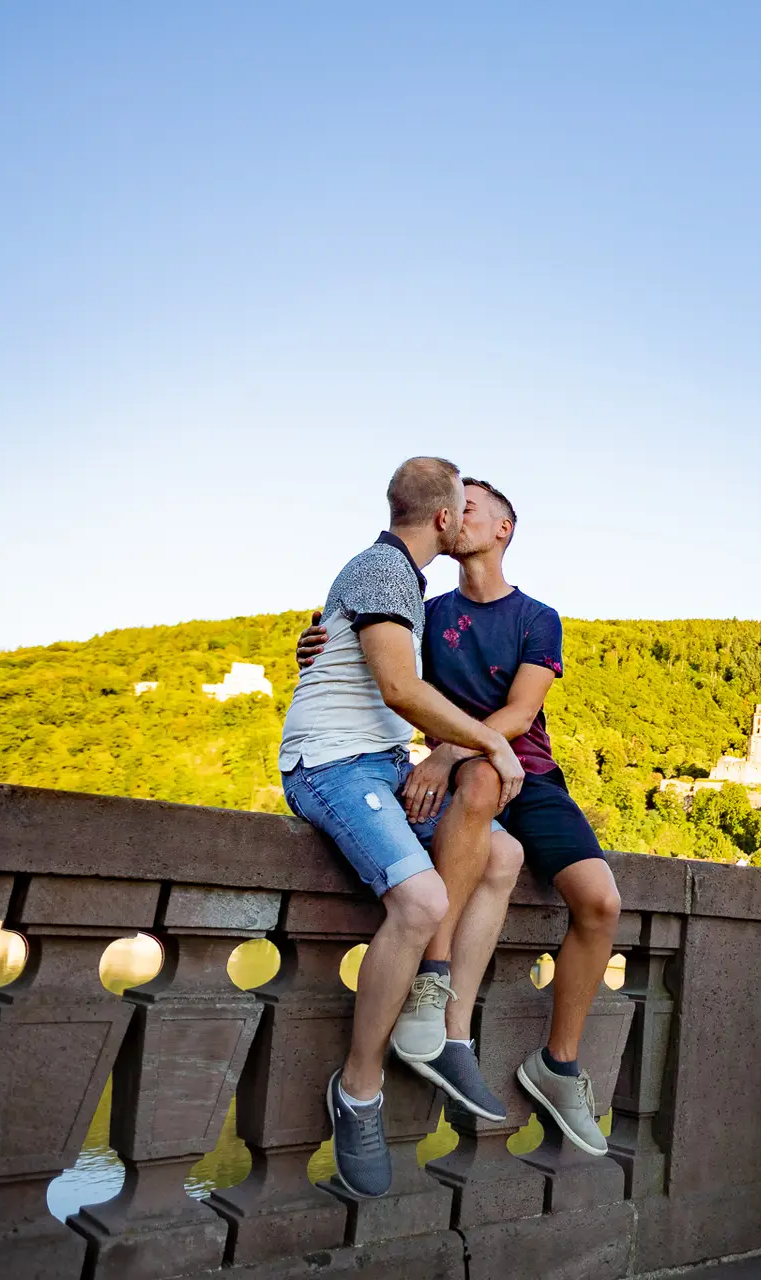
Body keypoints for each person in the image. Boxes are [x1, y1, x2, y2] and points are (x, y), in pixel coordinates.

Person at [297, 476, 623, 1157]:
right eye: (456, 505)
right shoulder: (422, 605)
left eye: (473, 507)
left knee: (600, 904)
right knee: (477, 793)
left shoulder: (538, 616)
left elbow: (520, 715)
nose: (459, 516)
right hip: (470, 777)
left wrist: (445, 752)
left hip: (524, 772)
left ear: (503, 529)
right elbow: (382, 670)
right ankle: (435, 988)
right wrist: (319, 639)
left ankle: (559, 1067)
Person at [278, 456, 526, 1198]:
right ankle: (358, 1091)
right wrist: (488, 741)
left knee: (500, 854)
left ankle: (446, 1026)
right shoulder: (385, 573)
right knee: (419, 901)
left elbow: (374, 672)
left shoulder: (398, 583)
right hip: (332, 767)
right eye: (464, 507)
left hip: (379, 767)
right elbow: (398, 687)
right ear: (445, 519)